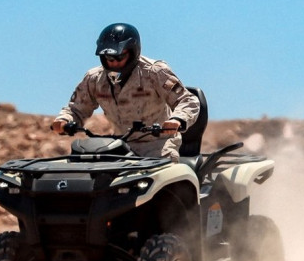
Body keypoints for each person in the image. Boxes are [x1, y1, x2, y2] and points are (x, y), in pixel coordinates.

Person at [50, 23, 200, 161]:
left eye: (119, 57)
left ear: (133, 52)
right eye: (109, 57)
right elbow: (76, 108)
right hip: (117, 145)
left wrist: (177, 120)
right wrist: (64, 120)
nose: (113, 62)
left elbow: (187, 100)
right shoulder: (94, 78)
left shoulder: (154, 72)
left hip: (157, 145)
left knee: (165, 176)